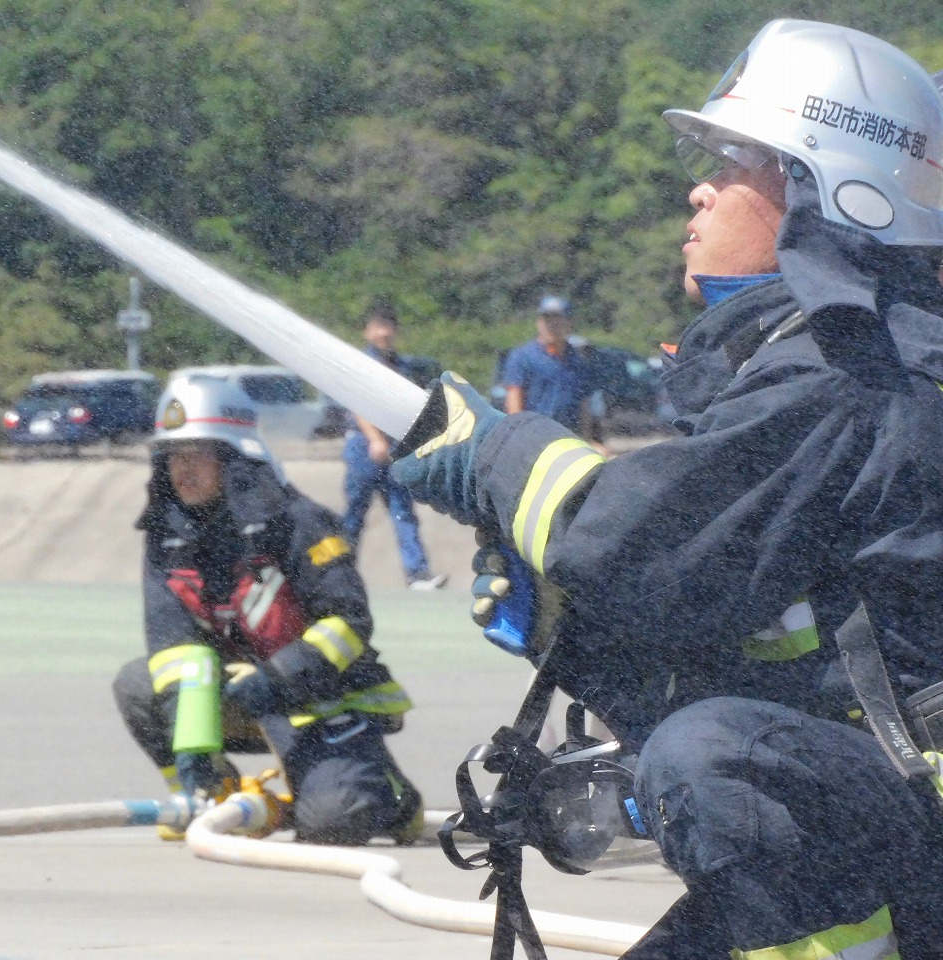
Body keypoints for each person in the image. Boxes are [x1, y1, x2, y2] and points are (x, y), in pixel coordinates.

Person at [391, 19, 943, 958]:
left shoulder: (850, 373)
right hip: (885, 820)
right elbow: (713, 618)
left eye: (738, 163)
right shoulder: (826, 361)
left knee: (713, 755)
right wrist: (574, 630)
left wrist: (487, 453)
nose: (700, 187)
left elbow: (630, 543)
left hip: (912, 831)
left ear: (828, 195)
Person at [113, 373, 423, 846]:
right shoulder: (166, 535)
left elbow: (348, 624)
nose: (183, 470)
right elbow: (173, 647)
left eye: (197, 454)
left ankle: (391, 796)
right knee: (139, 683)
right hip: (241, 696)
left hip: (321, 700)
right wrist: (194, 751)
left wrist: (276, 679)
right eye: (173, 455)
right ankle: (214, 799)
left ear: (233, 457)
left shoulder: (300, 523)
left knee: (335, 823)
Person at [342, 299, 448, 590]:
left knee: (403, 511)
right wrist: (375, 439)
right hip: (364, 448)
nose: (383, 333)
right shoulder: (361, 363)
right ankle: (339, 573)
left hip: (396, 450)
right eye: (377, 327)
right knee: (354, 514)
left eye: (388, 327)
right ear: (367, 332)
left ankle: (417, 573)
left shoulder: (403, 366)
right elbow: (356, 404)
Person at [501, 295, 594, 437]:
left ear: (570, 323)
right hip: (534, 437)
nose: (552, 325)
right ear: (538, 323)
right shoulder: (523, 357)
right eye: (547, 320)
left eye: (558, 320)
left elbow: (584, 405)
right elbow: (514, 405)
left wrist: (587, 439)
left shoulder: (577, 360)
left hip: (568, 437)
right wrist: (519, 437)